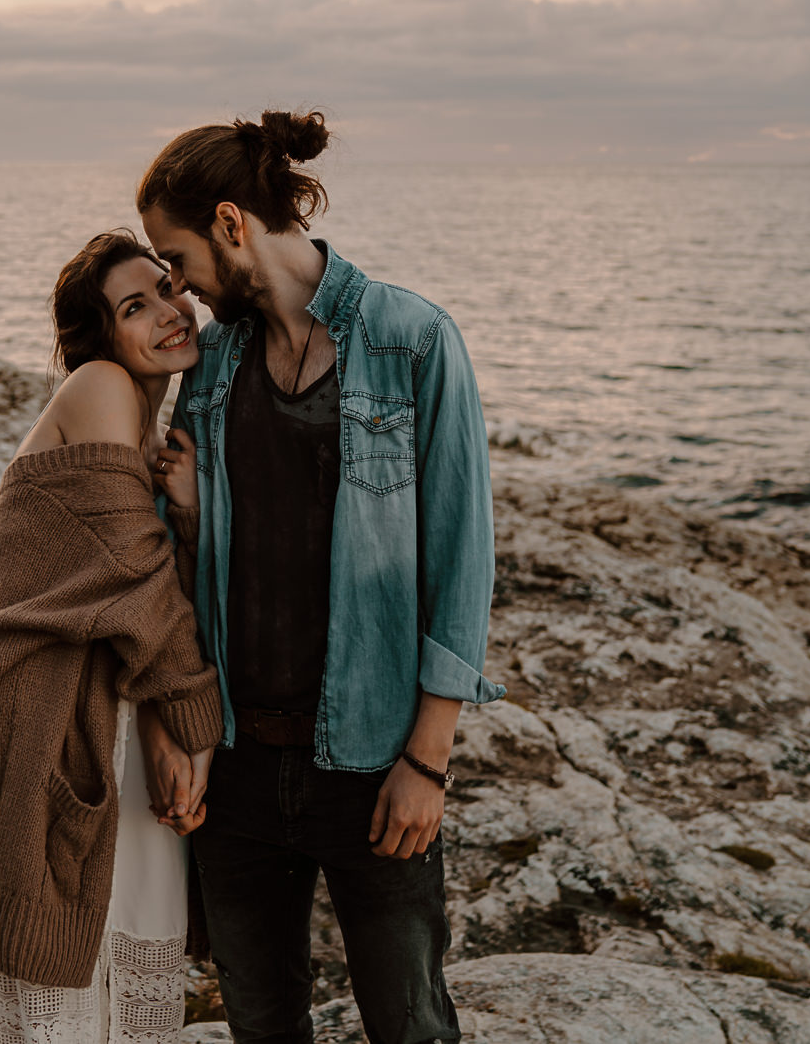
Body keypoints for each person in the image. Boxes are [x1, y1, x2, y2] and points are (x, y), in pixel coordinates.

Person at [135, 111, 503, 1044]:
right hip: (241, 767)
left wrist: (428, 757)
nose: (175, 287)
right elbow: (205, 558)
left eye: (174, 256)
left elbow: (462, 558)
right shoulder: (212, 360)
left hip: (374, 759)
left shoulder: (413, 340)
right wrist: (189, 518)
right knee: (262, 1026)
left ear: (229, 223)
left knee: (410, 1022)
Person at [0, 230, 221, 1040]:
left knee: (119, 983)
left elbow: (141, 579)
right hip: (37, 718)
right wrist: (197, 726)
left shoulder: (146, 429)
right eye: (135, 306)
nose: (168, 310)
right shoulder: (101, 386)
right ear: (102, 337)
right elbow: (135, 581)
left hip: (101, 712)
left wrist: (186, 515)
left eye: (165, 287)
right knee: (64, 992)